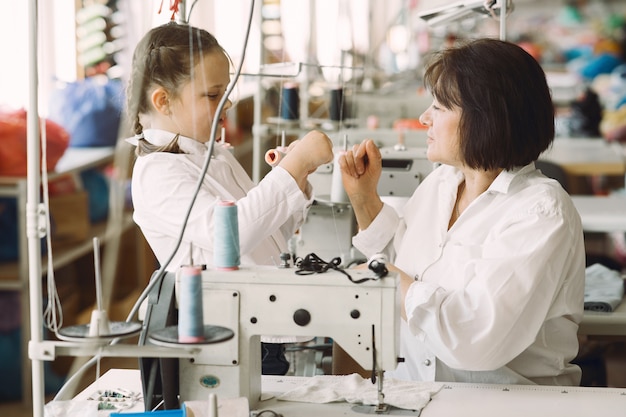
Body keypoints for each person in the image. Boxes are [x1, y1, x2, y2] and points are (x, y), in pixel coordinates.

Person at [339, 38, 585, 386]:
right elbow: (405, 266)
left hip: (505, 406)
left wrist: (388, 278)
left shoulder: (541, 211)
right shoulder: (440, 184)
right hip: (417, 395)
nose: (424, 118)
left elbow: (474, 339)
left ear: (485, 119)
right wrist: (364, 199)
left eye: (439, 108)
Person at [125, 22, 333, 375]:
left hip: (262, 325)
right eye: (212, 94)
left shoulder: (211, 155)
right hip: (226, 341)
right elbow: (229, 237)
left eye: (227, 91)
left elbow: (269, 234)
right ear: (163, 101)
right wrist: (291, 170)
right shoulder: (157, 172)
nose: (228, 102)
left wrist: (294, 175)